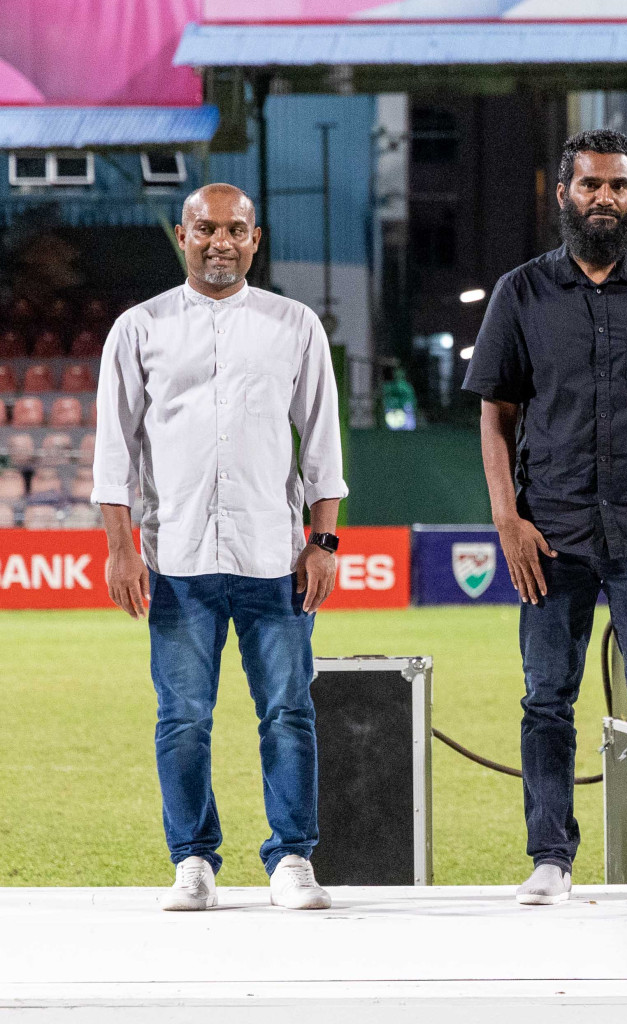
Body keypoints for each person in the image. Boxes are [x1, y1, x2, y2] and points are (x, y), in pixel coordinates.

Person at [463, 129, 627, 906]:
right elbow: (495, 414)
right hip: (550, 531)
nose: (604, 198)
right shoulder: (521, 291)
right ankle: (550, 857)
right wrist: (507, 518)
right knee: (547, 696)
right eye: (590, 186)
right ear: (564, 194)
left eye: (617, 185)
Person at [93, 184, 348, 912]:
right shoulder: (137, 330)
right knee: (182, 718)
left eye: (235, 229)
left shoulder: (293, 326)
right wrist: (120, 549)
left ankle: (292, 857)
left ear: (255, 239)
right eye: (206, 228)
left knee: (289, 713)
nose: (220, 242)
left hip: (273, 558)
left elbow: (321, 445)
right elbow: (116, 453)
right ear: (183, 235)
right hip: (175, 561)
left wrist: (322, 541)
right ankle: (193, 860)